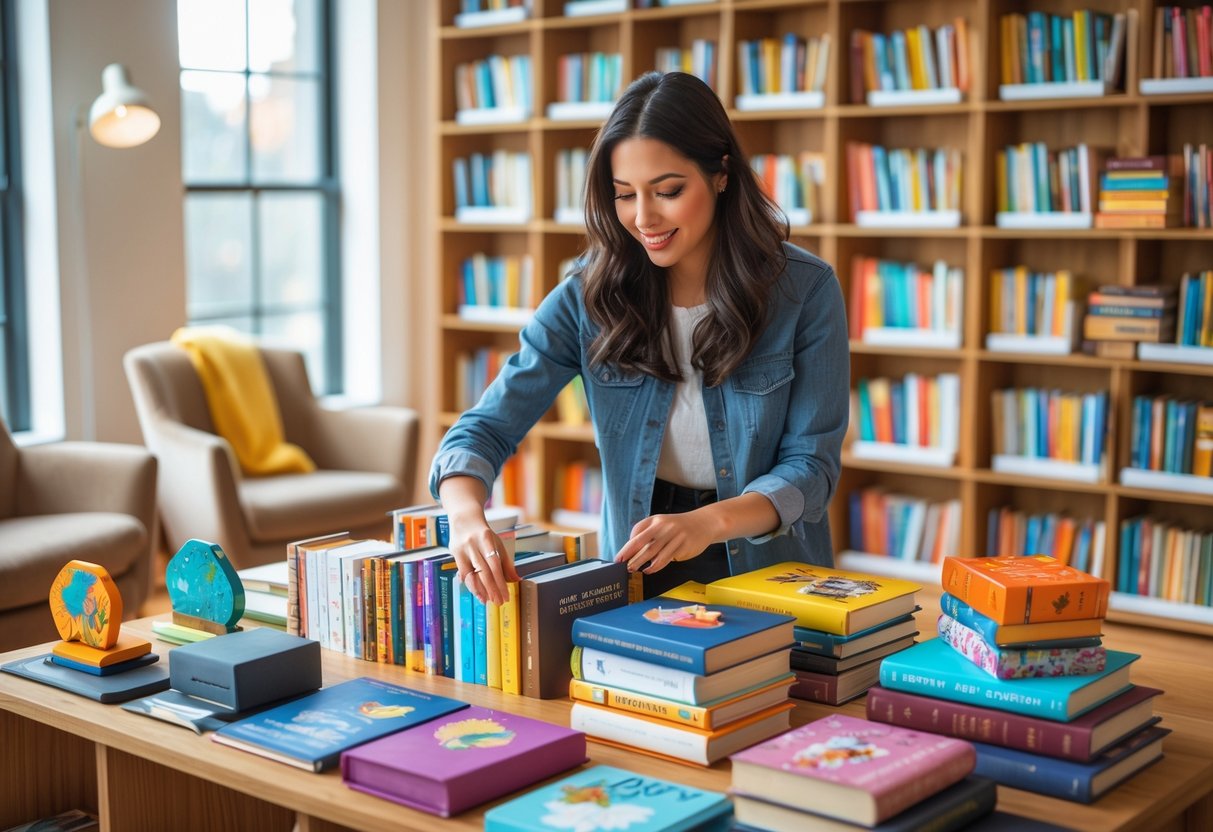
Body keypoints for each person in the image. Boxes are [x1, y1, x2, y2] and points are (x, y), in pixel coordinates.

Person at [429, 71, 849, 606]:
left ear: (721, 174)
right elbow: (482, 429)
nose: (644, 218)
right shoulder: (588, 295)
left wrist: (707, 522)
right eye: (624, 195)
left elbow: (811, 468)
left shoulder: (805, 290)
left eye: (669, 191)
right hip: (637, 560)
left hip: (768, 561)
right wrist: (465, 518)